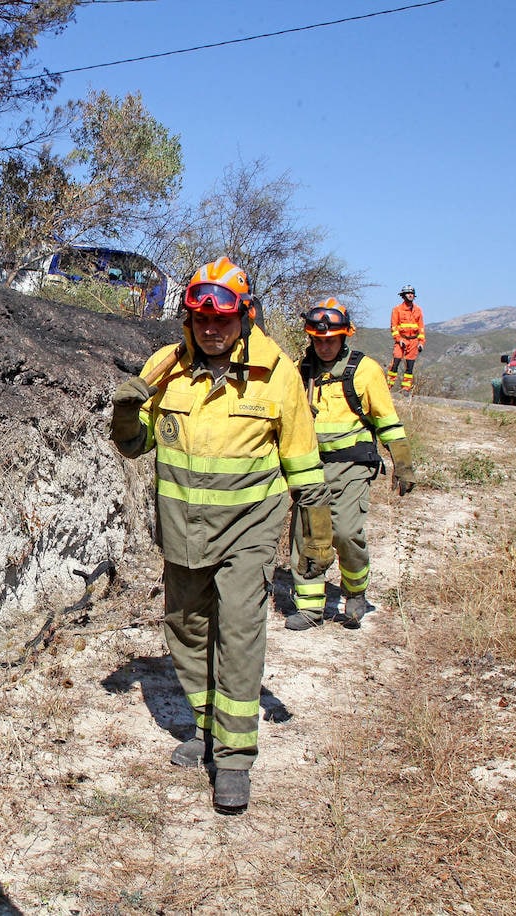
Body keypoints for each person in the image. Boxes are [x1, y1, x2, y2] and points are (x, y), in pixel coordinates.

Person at [108, 257, 335, 815]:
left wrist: (317, 535)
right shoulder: (166, 366)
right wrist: (124, 415)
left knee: (237, 629)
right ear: (188, 318)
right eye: (201, 319)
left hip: (249, 531)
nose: (212, 328)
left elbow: (303, 463)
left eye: (224, 320)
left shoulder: (276, 372)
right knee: (185, 627)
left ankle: (234, 756)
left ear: (244, 318)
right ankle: (206, 726)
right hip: (183, 532)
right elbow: (136, 447)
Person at [285, 300, 416, 632]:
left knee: (344, 532)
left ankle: (355, 591)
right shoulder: (302, 372)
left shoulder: (365, 370)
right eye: (318, 340)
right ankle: (311, 609)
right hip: (311, 468)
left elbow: (387, 419)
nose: (324, 346)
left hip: (353, 466)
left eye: (331, 340)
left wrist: (402, 462)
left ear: (345, 337)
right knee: (308, 535)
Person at [387, 284, 426, 392]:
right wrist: (399, 340)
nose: (410, 295)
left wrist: (421, 342)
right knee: (395, 363)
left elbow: (421, 327)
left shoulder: (418, 310)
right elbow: (394, 327)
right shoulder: (397, 310)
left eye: (412, 293)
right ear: (403, 296)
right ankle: (388, 386)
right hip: (401, 340)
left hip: (413, 341)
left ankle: (406, 388)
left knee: (410, 366)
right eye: (408, 293)